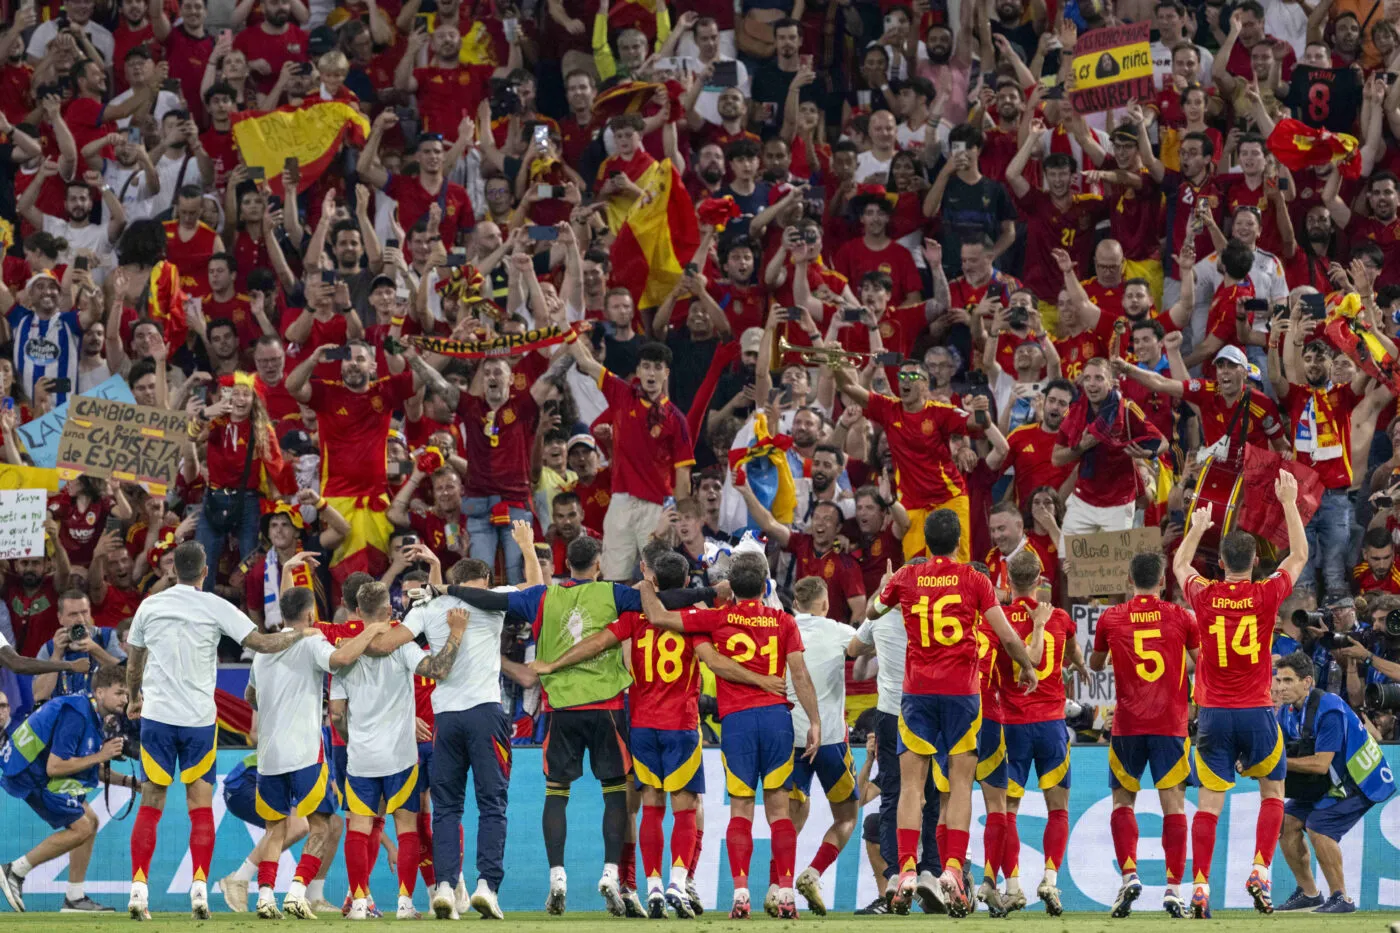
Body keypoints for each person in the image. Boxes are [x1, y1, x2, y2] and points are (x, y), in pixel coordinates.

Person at [439, 536, 718, 916]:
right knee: (617, 793)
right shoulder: (614, 594)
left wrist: (448, 589)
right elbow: (666, 602)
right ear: (598, 562)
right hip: (607, 707)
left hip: (561, 708)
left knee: (557, 793)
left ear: (565, 563)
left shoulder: (541, 596)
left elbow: (491, 600)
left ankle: (557, 876)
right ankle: (612, 872)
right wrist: (714, 590)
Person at [528, 549, 752, 919]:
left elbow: (596, 643)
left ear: (652, 579)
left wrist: (553, 663)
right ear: (684, 583)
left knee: (649, 807)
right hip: (680, 723)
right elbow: (717, 653)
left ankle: (650, 887)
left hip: (642, 724)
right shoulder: (694, 619)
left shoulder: (633, 617)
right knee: (686, 807)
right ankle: (679, 882)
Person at [866, 509, 1039, 916]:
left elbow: (873, 612)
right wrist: (1027, 666)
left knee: (913, 785)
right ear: (960, 541)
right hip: (962, 695)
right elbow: (1006, 635)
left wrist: (885, 587)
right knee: (960, 785)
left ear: (924, 543)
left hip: (917, 693)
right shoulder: (975, 579)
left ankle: (907, 868)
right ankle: (953, 871)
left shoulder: (907, 578)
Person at [637, 551, 822, 921]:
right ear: (767, 584)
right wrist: (815, 721)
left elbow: (656, 616)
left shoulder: (714, 618)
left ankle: (740, 894)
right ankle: (785, 891)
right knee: (779, 809)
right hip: (775, 719)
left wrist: (645, 582)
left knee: (740, 808)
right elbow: (799, 674)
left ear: (732, 588)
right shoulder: (783, 620)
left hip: (736, 721)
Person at [125, 541, 302, 920]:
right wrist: (298, 634)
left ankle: (139, 890)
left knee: (151, 802)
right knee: (200, 807)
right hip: (198, 721)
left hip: (156, 717)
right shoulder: (215, 606)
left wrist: (133, 697)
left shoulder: (150, 605)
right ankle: (200, 890)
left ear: (174, 571)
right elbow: (261, 644)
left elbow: (135, 659)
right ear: (205, 572)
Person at [370, 524, 538, 921]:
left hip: (445, 718)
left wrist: (366, 632)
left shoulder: (428, 607)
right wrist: (527, 548)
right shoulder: (495, 599)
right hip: (486, 714)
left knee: (447, 809)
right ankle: (486, 887)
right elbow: (536, 591)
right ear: (483, 582)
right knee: (492, 803)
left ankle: (444, 886)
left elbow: (389, 645)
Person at [1172, 469, 1310, 918]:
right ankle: (1260, 871)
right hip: (1256, 712)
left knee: (1209, 805)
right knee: (1273, 791)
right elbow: (1300, 555)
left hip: (1213, 715)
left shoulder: (1206, 595)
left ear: (1222, 563)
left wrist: (1195, 529)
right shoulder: (1267, 594)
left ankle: (1199, 887)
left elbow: (1178, 566)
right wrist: (1288, 502)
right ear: (1253, 562)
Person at [245, 561, 387, 919]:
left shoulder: (264, 649)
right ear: (310, 614)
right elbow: (340, 658)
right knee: (322, 824)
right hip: (305, 751)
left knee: (275, 828)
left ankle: (264, 897)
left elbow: (250, 695)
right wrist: (371, 632)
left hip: (269, 755)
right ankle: (296, 890)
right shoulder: (312, 642)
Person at [334, 581, 464, 920]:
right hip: (401, 756)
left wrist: (352, 738)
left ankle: (359, 903)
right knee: (406, 829)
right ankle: (405, 904)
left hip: (361, 757)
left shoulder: (343, 653)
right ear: (390, 612)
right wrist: (456, 633)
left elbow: (335, 713)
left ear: (358, 612)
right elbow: (439, 670)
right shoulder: (403, 649)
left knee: (359, 830)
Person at [1090, 550, 1200, 918]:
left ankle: (1130, 874)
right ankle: (1173, 888)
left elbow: (1095, 664)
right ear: (1163, 582)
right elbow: (1200, 661)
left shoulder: (1111, 617)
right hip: (1170, 725)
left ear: (1128, 581)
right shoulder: (1181, 617)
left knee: (1123, 802)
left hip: (1128, 726)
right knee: (1175, 807)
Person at [0, 665, 139, 914]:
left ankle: (74, 898)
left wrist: (130, 783)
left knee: (91, 821)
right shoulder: (77, 714)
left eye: (127, 695)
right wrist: (102, 754)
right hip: (30, 774)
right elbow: (56, 767)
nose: (124, 700)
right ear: (100, 691)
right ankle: (15, 870)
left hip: (34, 768)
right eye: (119, 693)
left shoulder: (88, 712)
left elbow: (86, 767)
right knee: (82, 827)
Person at [1273, 651, 1395, 914]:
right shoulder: (1287, 711)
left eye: (1287, 680)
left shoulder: (1328, 708)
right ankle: (1309, 894)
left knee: (1319, 826)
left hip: (1361, 778)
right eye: (1278, 680)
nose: (1280, 687)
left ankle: (1342, 898)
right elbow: (1276, 750)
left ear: (1307, 682)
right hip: (1330, 780)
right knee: (1285, 822)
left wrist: (1274, 762)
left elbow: (1319, 763)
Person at [833, 357, 989, 561]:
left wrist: (980, 410)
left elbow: (979, 425)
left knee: (954, 567)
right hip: (912, 505)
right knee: (916, 568)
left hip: (948, 498)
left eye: (913, 376)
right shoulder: (889, 409)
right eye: (902, 376)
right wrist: (834, 361)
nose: (906, 381)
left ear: (925, 384)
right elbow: (848, 386)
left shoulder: (940, 412)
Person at [997, 550, 1083, 917]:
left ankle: (1013, 886)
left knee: (1008, 811)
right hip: (1051, 725)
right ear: (1040, 580)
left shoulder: (996, 620)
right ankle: (1049, 879)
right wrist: (1080, 665)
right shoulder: (1060, 619)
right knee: (1058, 809)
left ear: (1007, 580)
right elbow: (1077, 655)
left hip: (1012, 724)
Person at [782, 577, 860, 918]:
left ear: (797, 603)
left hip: (790, 740)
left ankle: (778, 889)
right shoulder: (838, 630)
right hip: (829, 740)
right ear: (825, 604)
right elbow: (865, 647)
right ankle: (813, 873)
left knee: (786, 820)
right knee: (846, 816)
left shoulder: (782, 626)